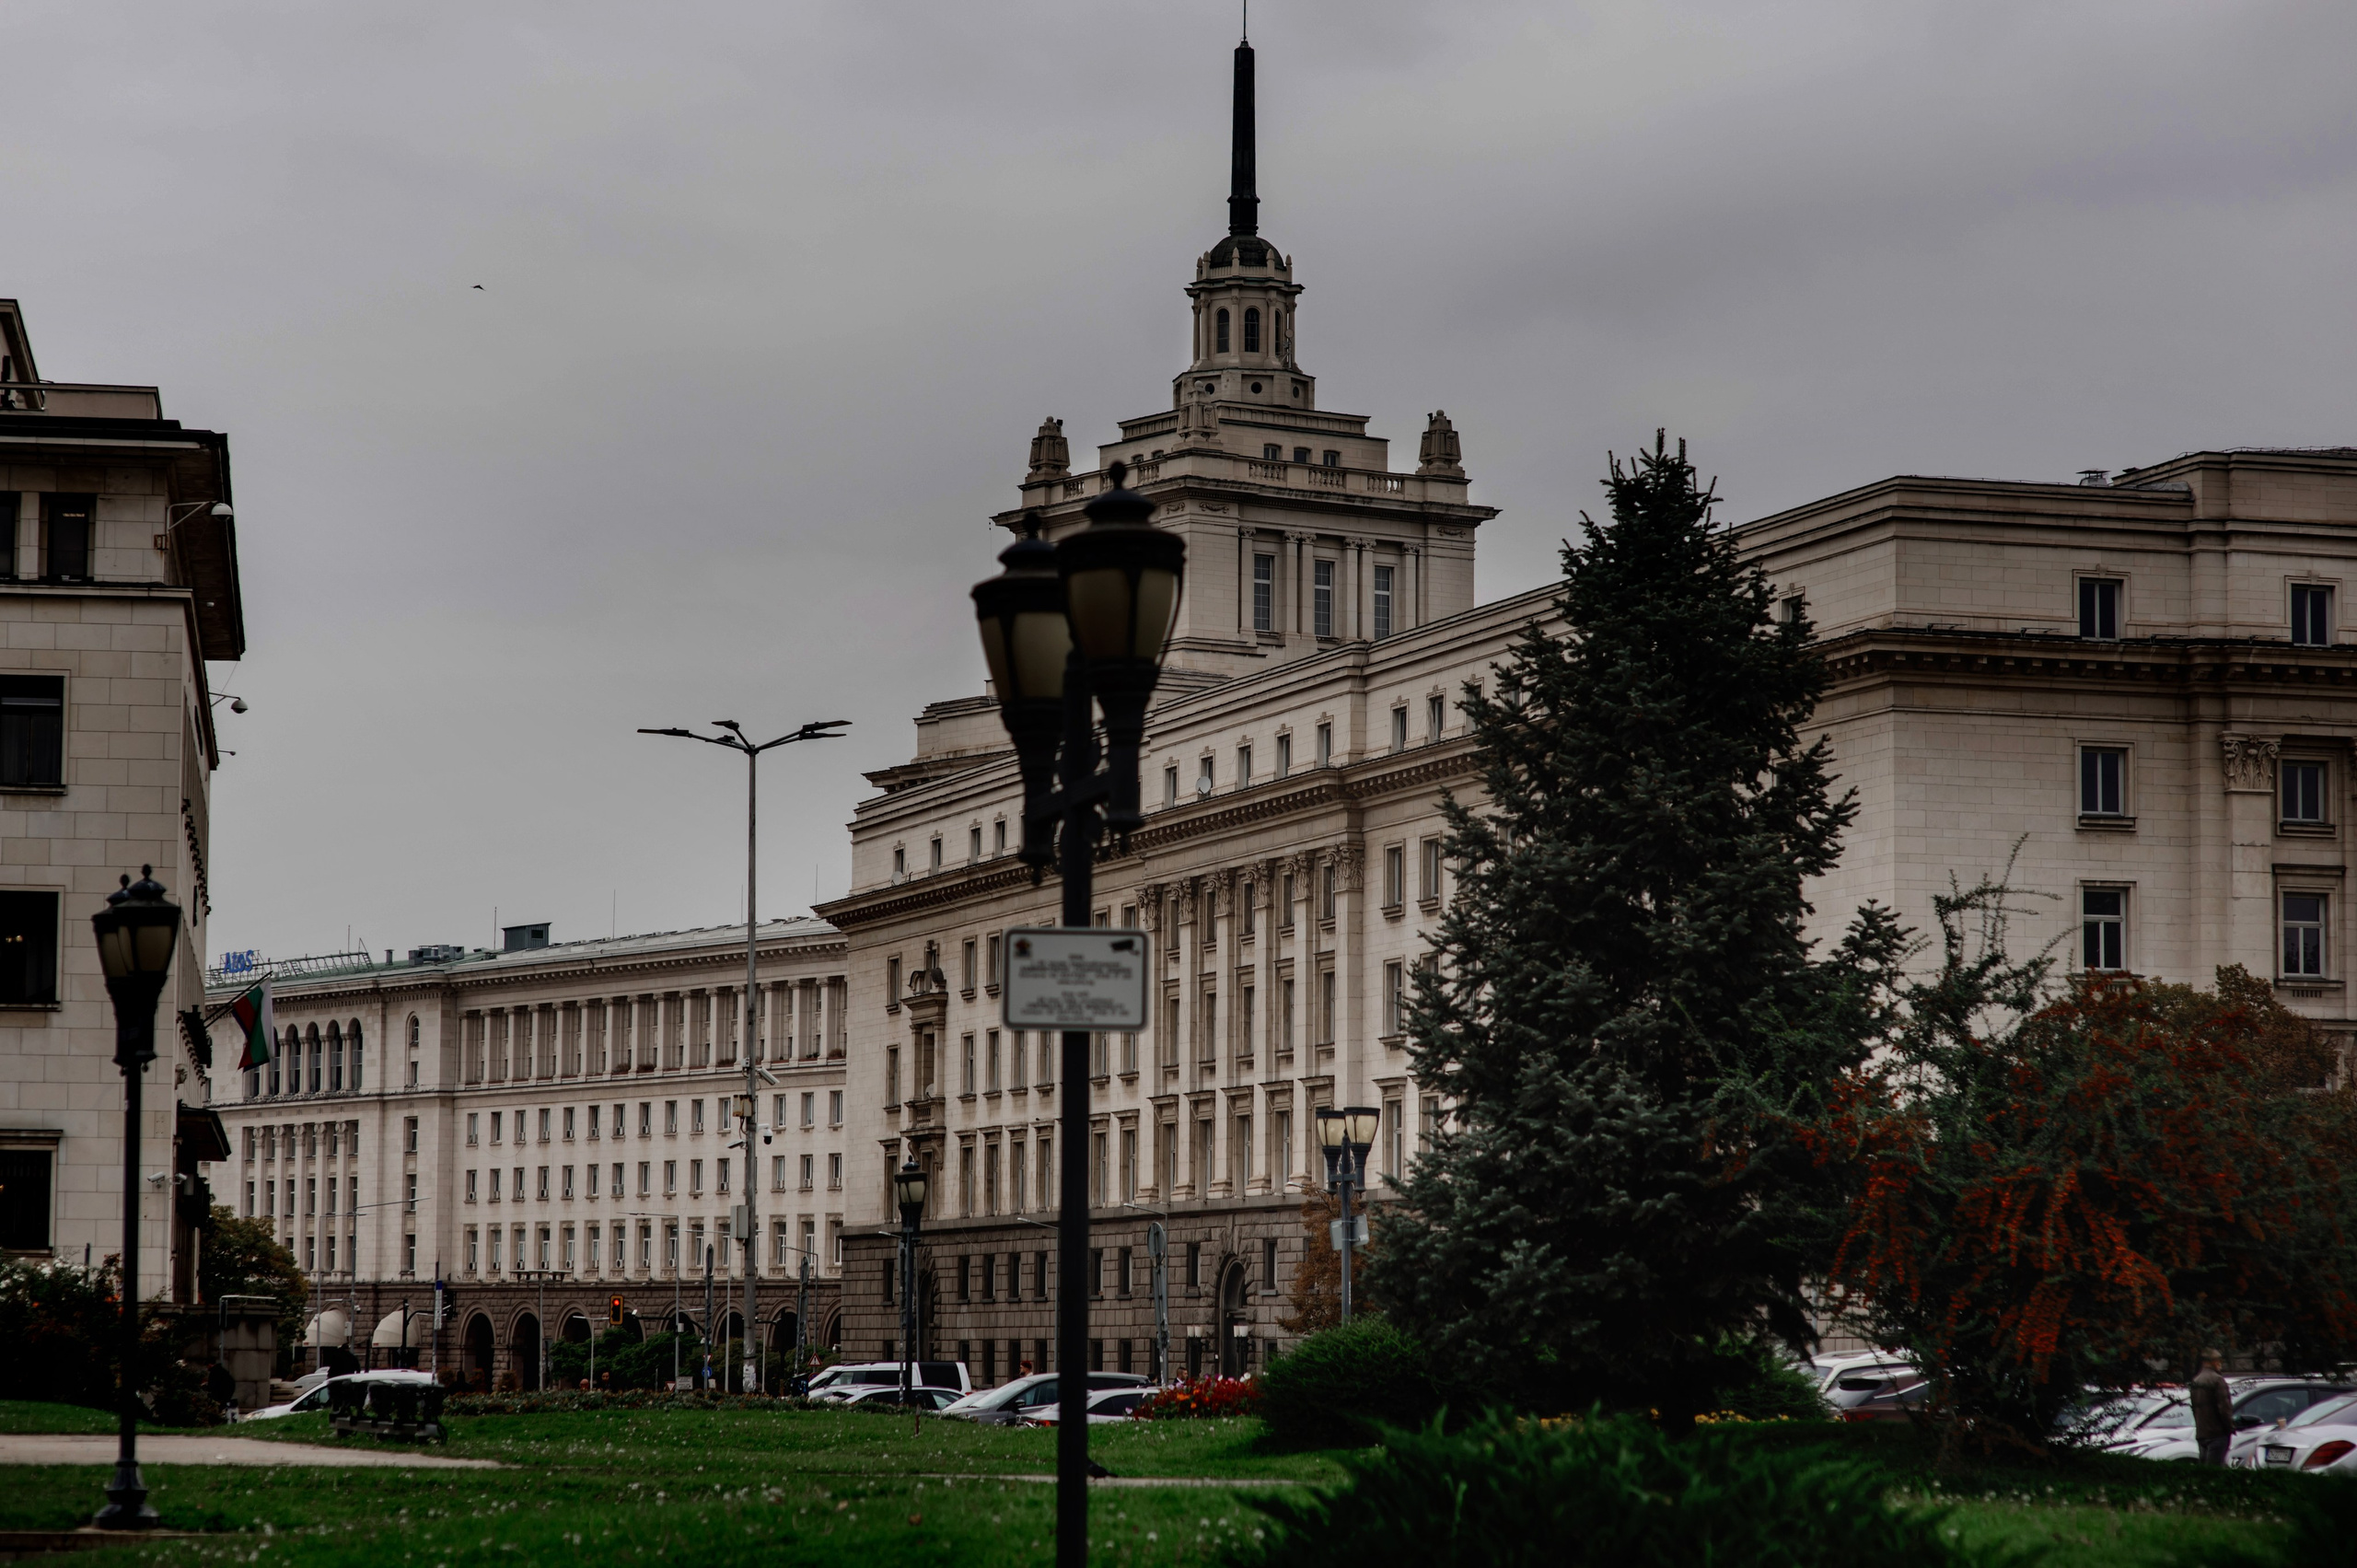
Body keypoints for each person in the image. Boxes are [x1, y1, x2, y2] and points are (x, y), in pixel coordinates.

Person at [2191, 1348, 2234, 1466]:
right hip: (2217, 1433)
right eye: (2219, 1360)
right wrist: (2230, 1426)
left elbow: (2194, 1408)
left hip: (2202, 1433)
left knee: (2205, 1468)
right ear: (2213, 1362)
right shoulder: (2217, 1380)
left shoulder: (2196, 1380)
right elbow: (2224, 1408)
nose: (2220, 1363)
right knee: (2215, 1469)